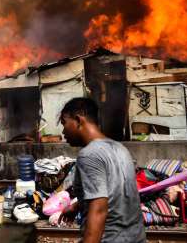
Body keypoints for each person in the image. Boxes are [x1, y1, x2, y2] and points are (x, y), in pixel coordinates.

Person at [59, 97, 145, 243]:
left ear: (78, 120)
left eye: (64, 123)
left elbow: (99, 209)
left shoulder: (89, 155)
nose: (63, 131)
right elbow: (113, 192)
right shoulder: (120, 149)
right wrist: (76, 206)